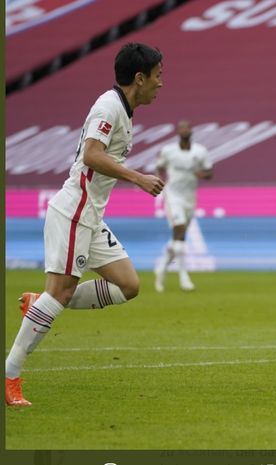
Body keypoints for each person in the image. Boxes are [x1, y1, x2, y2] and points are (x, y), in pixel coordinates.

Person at [6, 43, 164, 406]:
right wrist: (137, 178)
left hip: (91, 216)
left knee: (128, 285)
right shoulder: (108, 106)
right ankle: (11, 374)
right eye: (158, 76)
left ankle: (40, 304)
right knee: (60, 293)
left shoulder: (123, 110)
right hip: (75, 210)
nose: (161, 83)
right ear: (139, 78)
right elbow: (92, 154)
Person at [154, 120, 213, 292]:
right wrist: (161, 186)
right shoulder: (169, 151)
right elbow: (159, 168)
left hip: (190, 199)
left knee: (177, 238)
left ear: (191, 131)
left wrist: (203, 173)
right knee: (179, 232)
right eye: (181, 128)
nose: (184, 130)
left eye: (187, 127)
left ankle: (161, 268)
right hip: (173, 197)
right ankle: (183, 277)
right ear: (178, 132)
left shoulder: (200, 151)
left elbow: (209, 172)